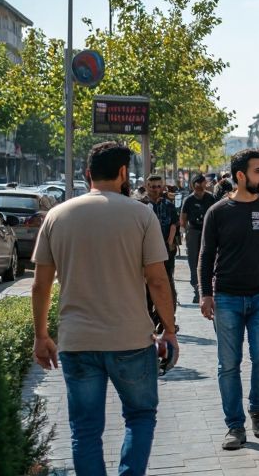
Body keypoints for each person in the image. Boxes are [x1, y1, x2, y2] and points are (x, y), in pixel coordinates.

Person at [31, 141, 177, 476]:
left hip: (76, 341)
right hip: (131, 340)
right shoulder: (141, 214)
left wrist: (41, 335)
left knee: (85, 430)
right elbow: (157, 281)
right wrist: (168, 330)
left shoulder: (57, 216)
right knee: (140, 417)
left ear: (87, 174)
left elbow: (40, 286)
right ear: (125, 173)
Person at [199, 149, 259, 451]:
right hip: (226, 298)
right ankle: (235, 426)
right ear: (240, 176)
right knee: (229, 364)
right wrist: (205, 294)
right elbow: (206, 255)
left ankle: (257, 408)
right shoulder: (218, 211)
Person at [144, 175, 181, 314]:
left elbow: (174, 224)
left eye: (158, 186)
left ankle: (169, 316)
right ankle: (149, 313)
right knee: (147, 283)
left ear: (163, 187)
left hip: (165, 248)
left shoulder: (168, 205)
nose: (155, 189)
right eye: (153, 186)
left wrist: (169, 243)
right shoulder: (141, 204)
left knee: (167, 281)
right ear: (147, 186)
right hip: (147, 249)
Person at [181, 174, 217, 301]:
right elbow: (183, 217)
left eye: (201, 185)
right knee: (193, 260)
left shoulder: (211, 198)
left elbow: (215, 215)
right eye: (196, 186)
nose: (199, 189)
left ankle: (207, 288)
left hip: (208, 232)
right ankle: (197, 289)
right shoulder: (189, 200)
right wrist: (184, 232)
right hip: (194, 231)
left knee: (209, 258)